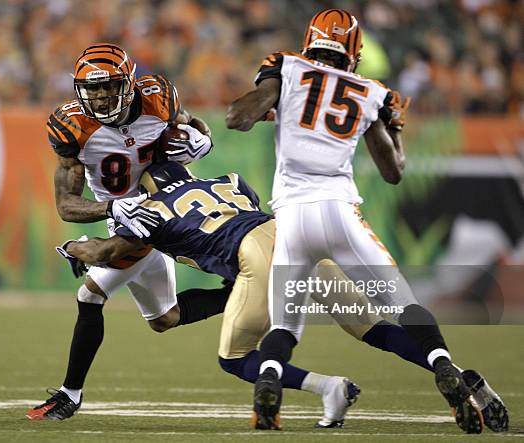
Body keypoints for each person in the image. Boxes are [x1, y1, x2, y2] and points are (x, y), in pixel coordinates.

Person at [59, 162, 505, 430]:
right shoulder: (227, 180)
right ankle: (464, 379)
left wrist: (74, 247)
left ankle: (319, 387)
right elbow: (248, 208)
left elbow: (107, 250)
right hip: (294, 241)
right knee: (376, 330)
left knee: (234, 358)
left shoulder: (151, 208)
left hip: (255, 257)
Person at [225, 9, 507, 433]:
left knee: (285, 325)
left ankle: (268, 378)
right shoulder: (371, 91)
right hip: (341, 215)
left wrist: (274, 98)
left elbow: (237, 118)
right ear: (353, 53)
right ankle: (444, 367)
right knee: (403, 306)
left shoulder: (286, 68)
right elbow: (393, 171)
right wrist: (394, 130)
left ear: (311, 42)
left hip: (292, 220)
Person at [26, 43, 222, 421]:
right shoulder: (72, 126)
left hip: (165, 203)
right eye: (92, 89)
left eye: (108, 87)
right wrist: (112, 206)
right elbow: (66, 204)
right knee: (164, 319)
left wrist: (204, 139)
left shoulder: (157, 98)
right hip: (123, 215)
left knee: (90, 295)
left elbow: (191, 123)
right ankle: (237, 295)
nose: (99, 97)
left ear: (130, 85)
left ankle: (70, 395)